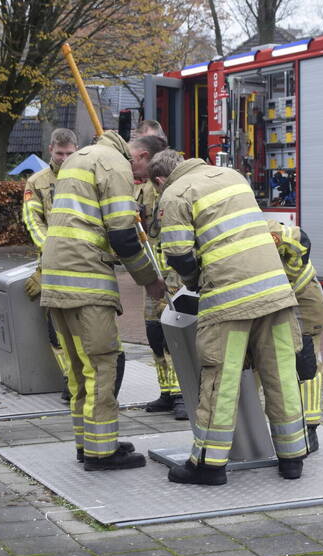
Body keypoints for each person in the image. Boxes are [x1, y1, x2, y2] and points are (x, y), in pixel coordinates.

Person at [151, 149, 309, 486]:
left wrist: (195, 283)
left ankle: (209, 464)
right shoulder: (232, 175)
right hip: (275, 292)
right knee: (281, 373)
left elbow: (178, 256)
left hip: (228, 300)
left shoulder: (175, 194)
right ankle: (292, 458)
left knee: (220, 379)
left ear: (161, 180)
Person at [40, 131, 167, 471]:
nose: (141, 178)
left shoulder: (78, 160)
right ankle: (101, 454)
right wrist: (150, 281)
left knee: (80, 370)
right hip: (87, 281)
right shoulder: (114, 166)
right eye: (142, 170)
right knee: (102, 365)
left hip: (56, 277)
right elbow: (123, 235)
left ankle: (91, 442)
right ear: (135, 154)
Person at [131, 123, 187, 421]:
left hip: (175, 279)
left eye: (135, 158)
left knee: (173, 335)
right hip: (154, 277)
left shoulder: (167, 187)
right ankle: (166, 390)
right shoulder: (140, 188)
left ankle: (181, 393)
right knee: (155, 333)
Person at [21, 128, 79, 400]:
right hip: (53, 264)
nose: (65, 158)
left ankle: (85, 378)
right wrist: (53, 250)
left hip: (84, 264)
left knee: (86, 326)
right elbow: (33, 221)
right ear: (50, 150)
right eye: (60, 153)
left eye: (70, 153)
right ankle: (71, 378)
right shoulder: (37, 182)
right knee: (57, 329)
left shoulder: (87, 178)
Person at [267, 220, 323, 453]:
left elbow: (300, 239)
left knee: (306, 362)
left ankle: (309, 429)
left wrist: (290, 276)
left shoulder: (263, 227)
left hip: (303, 298)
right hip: (270, 300)